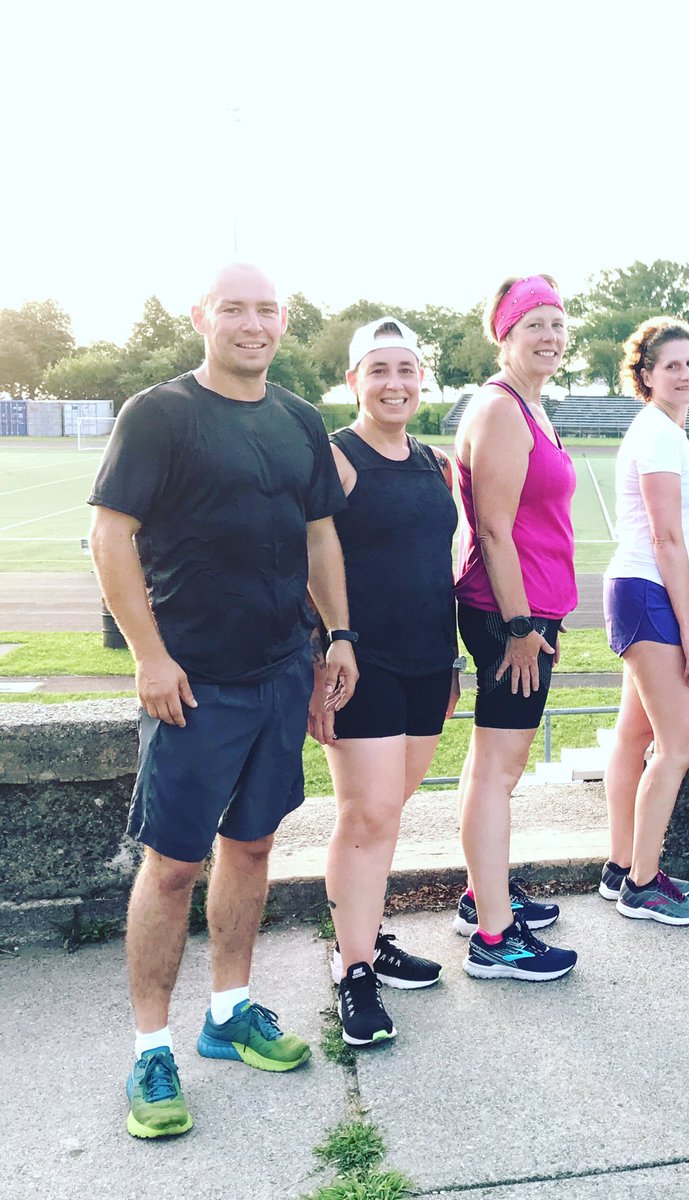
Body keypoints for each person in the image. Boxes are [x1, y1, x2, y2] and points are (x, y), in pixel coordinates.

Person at [89, 263, 358, 1139]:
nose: (253, 324)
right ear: (202, 317)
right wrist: (150, 657)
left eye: (266, 310)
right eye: (234, 309)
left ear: (283, 323)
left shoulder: (299, 419)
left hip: (280, 672)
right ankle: (149, 1051)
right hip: (193, 683)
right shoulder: (159, 414)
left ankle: (229, 1012)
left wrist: (338, 637)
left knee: (252, 845)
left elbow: (318, 533)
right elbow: (110, 535)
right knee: (172, 866)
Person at [307, 318, 458, 1047]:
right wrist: (329, 650)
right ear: (354, 381)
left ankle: (363, 934)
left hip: (430, 661)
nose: (394, 384)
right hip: (361, 663)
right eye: (379, 371)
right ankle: (353, 969)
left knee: (388, 812)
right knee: (365, 817)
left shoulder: (435, 463)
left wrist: (452, 661)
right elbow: (308, 557)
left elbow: (436, 564)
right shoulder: (337, 458)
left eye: (406, 370)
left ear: (421, 379)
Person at [453, 275, 578, 979]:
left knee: (490, 765)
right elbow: (494, 531)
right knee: (499, 772)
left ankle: (484, 894)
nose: (550, 336)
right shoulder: (502, 409)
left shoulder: (529, 405)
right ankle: (496, 940)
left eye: (557, 323)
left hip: (527, 609)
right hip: (510, 615)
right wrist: (521, 627)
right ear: (505, 334)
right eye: (534, 324)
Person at [600, 317, 689, 926]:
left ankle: (623, 865)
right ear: (646, 375)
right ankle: (642, 884)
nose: (686, 374)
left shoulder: (662, 430)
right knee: (680, 743)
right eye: (672, 365)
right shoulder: (659, 435)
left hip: (640, 591)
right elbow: (666, 538)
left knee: (635, 734)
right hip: (649, 594)